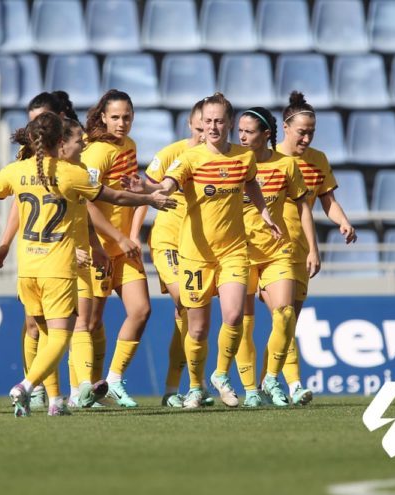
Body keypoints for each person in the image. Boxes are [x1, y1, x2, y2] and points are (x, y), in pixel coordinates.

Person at [0, 112, 175, 417]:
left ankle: (55, 402)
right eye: (78, 140)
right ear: (59, 142)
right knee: (61, 336)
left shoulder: (17, 171)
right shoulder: (71, 174)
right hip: (58, 268)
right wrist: (150, 200)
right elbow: (116, 196)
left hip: (27, 269)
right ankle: (25, 386)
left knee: (43, 335)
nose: (83, 145)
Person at [123, 93, 280, 409]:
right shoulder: (191, 158)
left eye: (219, 120)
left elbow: (251, 184)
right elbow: (168, 183)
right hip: (195, 254)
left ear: (230, 123)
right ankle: (195, 386)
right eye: (208, 121)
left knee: (235, 314)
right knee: (198, 327)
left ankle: (221, 374)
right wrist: (150, 191)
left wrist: (264, 213)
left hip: (233, 251)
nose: (213, 126)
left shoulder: (243, 157)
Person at [0, 91, 92, 410]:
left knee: (77, 323)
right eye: (32, 122)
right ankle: (35, 388)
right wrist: (5, 243)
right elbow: (21, 207)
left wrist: (91, 244)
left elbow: (88, 208)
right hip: (46, 258)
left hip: (64, 253)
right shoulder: (27, 160)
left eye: (41, 121)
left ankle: (61, 396)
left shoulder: (73, 163)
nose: (36, 128)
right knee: (42, 327)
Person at [259, 91, 357, 405]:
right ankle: (294, 385)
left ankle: (263, 385)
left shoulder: (318, 161)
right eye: (302, 131)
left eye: (311, 132)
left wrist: (343, 221)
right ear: (285, 127)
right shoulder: (265, 157)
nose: (306, 137)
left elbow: (327, 201)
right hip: (269, 249)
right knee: (283, 316)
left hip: (301, 250)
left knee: (286, 324)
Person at [234, 107, 320, 407]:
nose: (242, 136)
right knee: (242, 323)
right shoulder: (231, 162)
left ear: (266, 135)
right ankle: (251, 391)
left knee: (284, 313)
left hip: (277, 249)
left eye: (249, 131)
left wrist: (312, 247)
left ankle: (271, 378)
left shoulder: (286, 165)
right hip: (239, 252)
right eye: (240, 130)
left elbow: (303, 205)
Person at [81, 89, 150, 407]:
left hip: (124, 248)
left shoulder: (130, 147)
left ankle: (114, 380)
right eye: (115, 117)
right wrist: (115, 239)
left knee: (141, 310)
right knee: (91, 323)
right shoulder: (96, 153)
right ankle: (88, 388)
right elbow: (87, 205)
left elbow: (130, 192)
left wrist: (132, 234)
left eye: (127, 117)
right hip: (99, 249)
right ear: (103, 118)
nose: (121, 123)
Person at [140, 99, 207, 407]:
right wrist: (132, 234)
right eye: (199, 127)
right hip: (168, 241)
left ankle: (180, 388)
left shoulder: (221, 158)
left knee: (188, 314)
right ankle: (178, 388)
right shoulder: (171, 154)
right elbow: (147, 193)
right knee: (185, 302)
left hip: (198, 246)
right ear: (191, 125)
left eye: (211, 126)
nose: (206, 133)